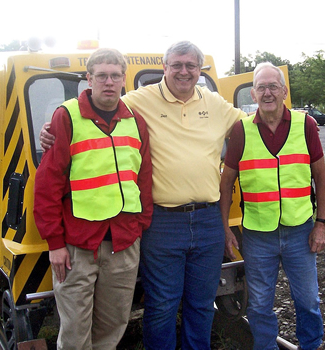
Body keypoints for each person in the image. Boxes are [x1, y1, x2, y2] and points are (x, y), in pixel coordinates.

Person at [40, 41, 246, 350]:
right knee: (161, 306)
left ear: (199, 71)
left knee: (201, 304)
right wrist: (52, 130)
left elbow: (252, 127)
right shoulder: (138, 102)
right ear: (165, 67)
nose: (183, 71)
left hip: (205, 220)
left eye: (191, 66)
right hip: (158, 223)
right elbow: (92, 112)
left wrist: (298, 123)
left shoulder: (214, 104)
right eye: (176, 64)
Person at [33, 48, 153, 350]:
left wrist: (140, 225)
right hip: (77, 245)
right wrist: (55, 244)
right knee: (75, 331)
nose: (109, 82)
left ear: (124, 80)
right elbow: (48, 185)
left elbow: (144, 179)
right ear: (89, 79)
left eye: (115, 76)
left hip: (124, 243)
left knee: (113, 326)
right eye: (102, 76)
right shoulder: (67, 117)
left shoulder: (136, 122)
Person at [220, 62, 325, 350]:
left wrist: (321, 224)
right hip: (258, 234)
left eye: (273, 86)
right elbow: (225, 184)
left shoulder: (305, 125)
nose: (267, 92)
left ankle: (311, 345)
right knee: (258, 304)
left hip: (300, 231)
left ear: (283, 91)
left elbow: (322, 178)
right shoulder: (241, 130)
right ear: (253, 95)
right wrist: (224, 228)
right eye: (261, 87)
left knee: (308, 300)